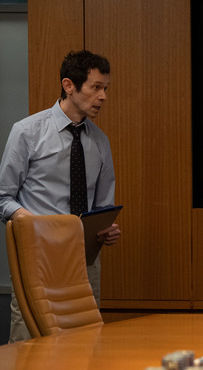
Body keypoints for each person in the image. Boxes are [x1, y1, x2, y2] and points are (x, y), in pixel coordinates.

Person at [0, 50, 122, 342]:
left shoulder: (100, 141)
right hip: (37, 256)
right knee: (29, 346)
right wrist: (31, 222)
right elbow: (3, 197)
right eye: (96, 87)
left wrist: (107, 229)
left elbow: (103, 207)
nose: (103, 96)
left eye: (106, 88)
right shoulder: (27, 132)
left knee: (85, 343)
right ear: (69, 85)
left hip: (83, 259)